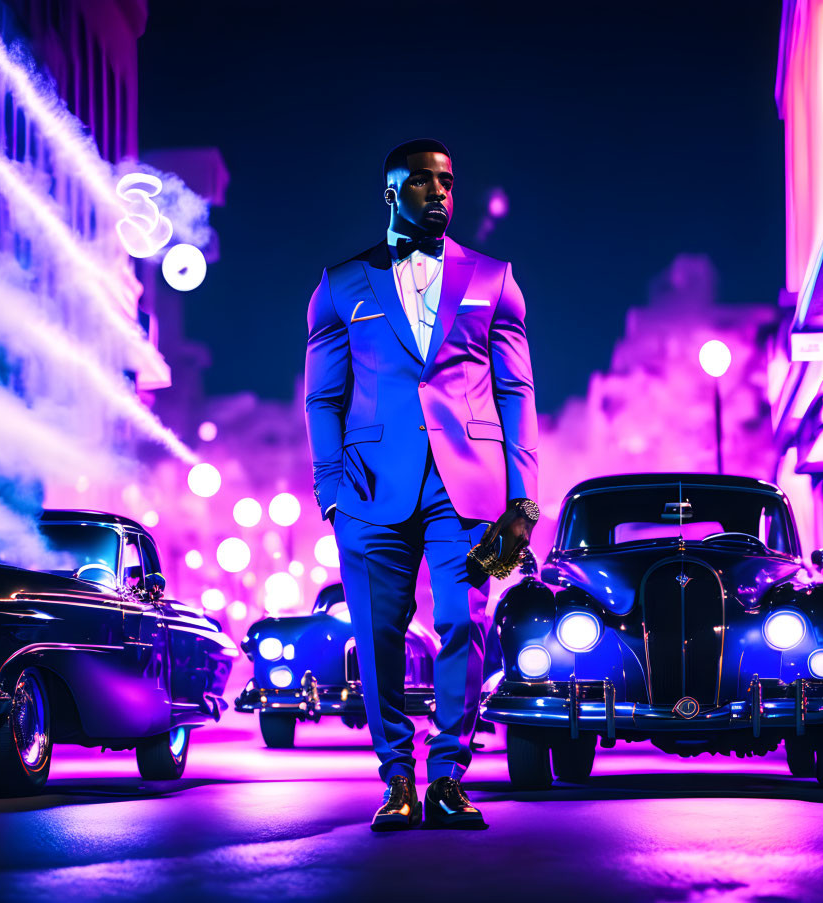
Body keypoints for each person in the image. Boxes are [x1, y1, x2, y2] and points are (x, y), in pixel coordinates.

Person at [303, 138, 540, 830]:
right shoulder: (340, 283)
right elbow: (323, 397)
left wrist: (522, 499)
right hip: (370, 485)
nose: (438, 193)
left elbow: (516, 388)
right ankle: (395, 778)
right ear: (390, 193)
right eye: (422, 183)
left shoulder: (494, 278)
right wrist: (330, 488)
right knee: (377, 636)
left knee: (462, 621)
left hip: (466, 485)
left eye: (447, 182)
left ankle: (446, 777)